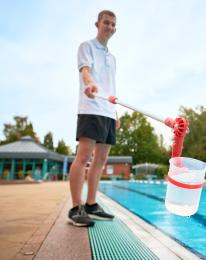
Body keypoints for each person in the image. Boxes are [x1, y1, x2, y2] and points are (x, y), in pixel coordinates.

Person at [68, 10, 120, 227]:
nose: (109, 27)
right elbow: (85, 70)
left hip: (107, 111)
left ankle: (91, 204)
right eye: (106, 23)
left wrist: (115, 113)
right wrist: (89, 83)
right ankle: (75, 208)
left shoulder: (113, 57)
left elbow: (110, 86)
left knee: (101, 160)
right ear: (97, 24)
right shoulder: (86, 46)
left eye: (113, 24)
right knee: (84, 157)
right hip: (91, 106)